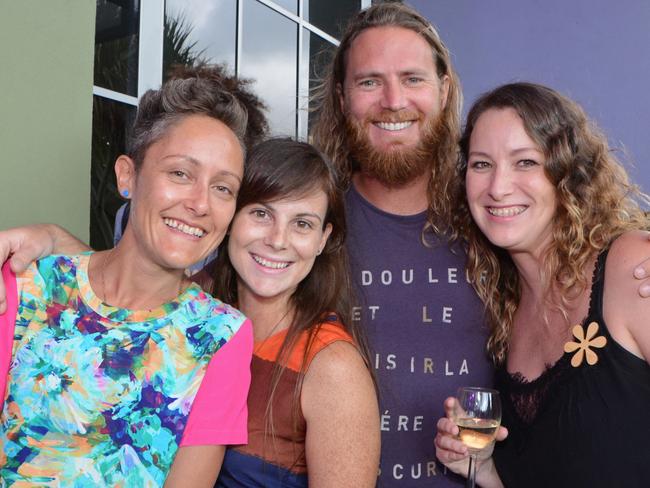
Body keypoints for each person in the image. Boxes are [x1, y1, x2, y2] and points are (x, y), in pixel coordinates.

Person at [3, 4, 650, 487]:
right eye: (369, 81)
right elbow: (156, 262)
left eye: (412, 78)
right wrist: (64, 255)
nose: (392, 99)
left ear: (444, 90)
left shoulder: (490, 226)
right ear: (342, 99)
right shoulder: (305, 218)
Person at [0, 70, 254, 485]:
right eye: (180, 173)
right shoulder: (27, 286)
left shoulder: (220, 336)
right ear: (127, 176)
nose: (200, 204)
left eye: (223, 188)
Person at [434, 82, 650, 487]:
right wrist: (484, 469)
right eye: (481, 164)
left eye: (525, 162)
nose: (498, 187)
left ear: (567, 173)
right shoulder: (504, 312)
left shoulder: (633, 270)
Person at [213, 137, 379, 487]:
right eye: (261, 213)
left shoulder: (332, 368)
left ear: (322, 239)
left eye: (302, 224)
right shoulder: (201, 317)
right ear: (231, 216)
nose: (278, 240)